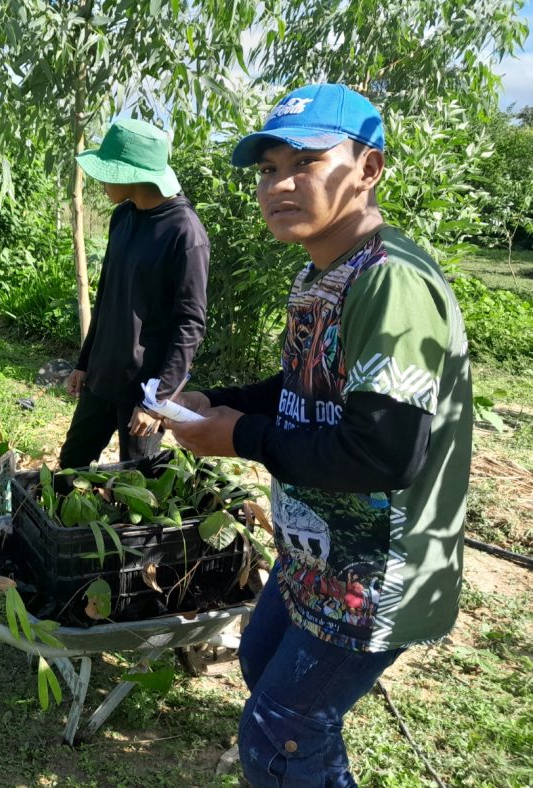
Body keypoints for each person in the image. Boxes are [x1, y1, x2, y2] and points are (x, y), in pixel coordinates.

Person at [168, 84, 472, 786]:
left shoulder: (390, 283)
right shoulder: (323, 274)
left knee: (282, 731)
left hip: (376, 574)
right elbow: (305, 386)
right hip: (320, 554)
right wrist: (217, 400)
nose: (279, 184)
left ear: (369, 169)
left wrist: (241, 436)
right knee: (257, 664)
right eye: (268, 169)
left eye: (304, 162)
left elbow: (384, 451)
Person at [59, 118, 209, 469]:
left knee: (136, 483)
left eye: (108, 170)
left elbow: (190, 326)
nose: (101, 180)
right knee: (70, 466)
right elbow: (108, 294)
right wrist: (85, 362)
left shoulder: (185, 233)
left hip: (144, 389)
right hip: (102, 376)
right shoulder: (123, 217)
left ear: (133, 174)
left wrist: (156, 401)